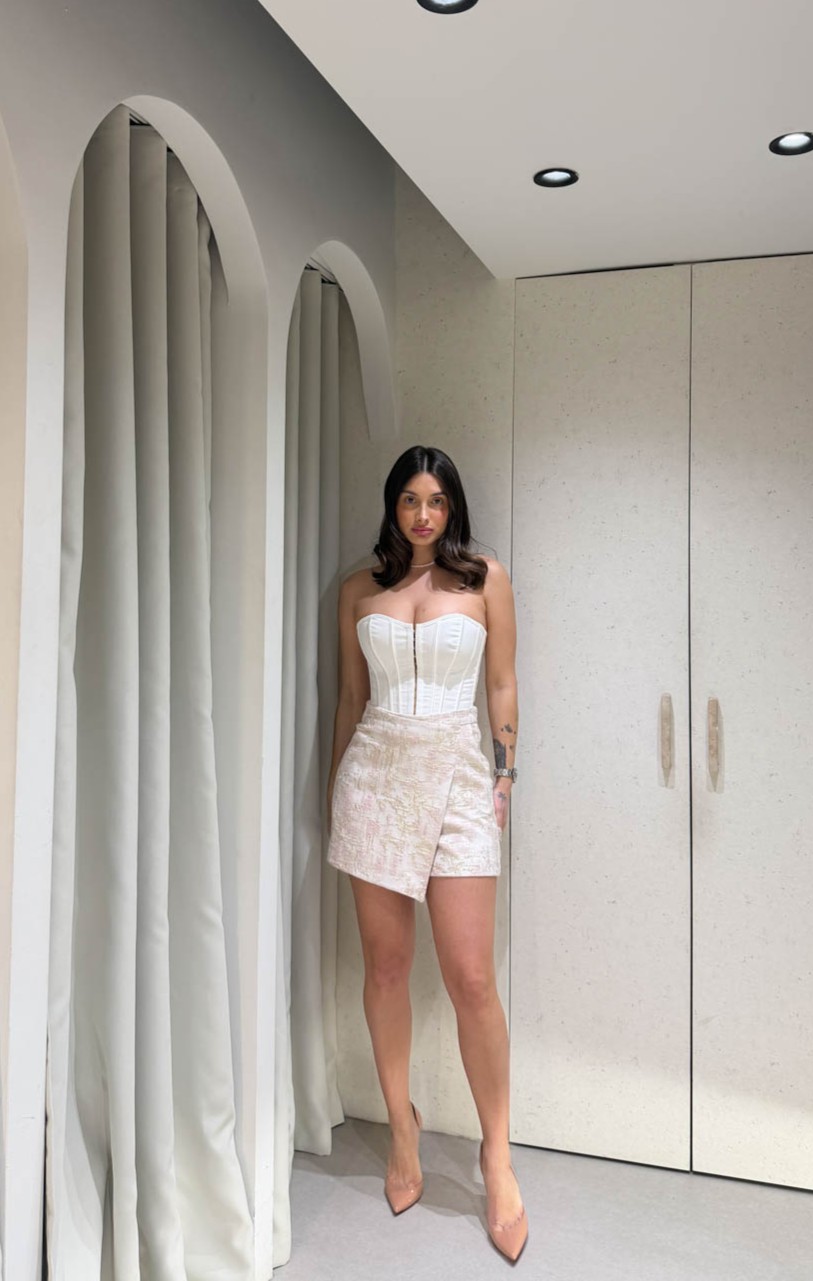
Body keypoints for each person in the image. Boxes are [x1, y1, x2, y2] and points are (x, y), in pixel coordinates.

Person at [325, 445, 528, 1263]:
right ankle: (401, 1127)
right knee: (385, 967)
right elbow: (350, 697)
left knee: (471, 977)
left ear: (453, 508)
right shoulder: (357, 590)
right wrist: (334, 792)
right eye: (409, 499)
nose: (422, 515)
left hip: (458, 775)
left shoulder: (485, 579)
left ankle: (497, 1155)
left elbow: (502, 684)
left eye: (436, 500)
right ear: (392, 505)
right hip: (373, 777)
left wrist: (505, 776)